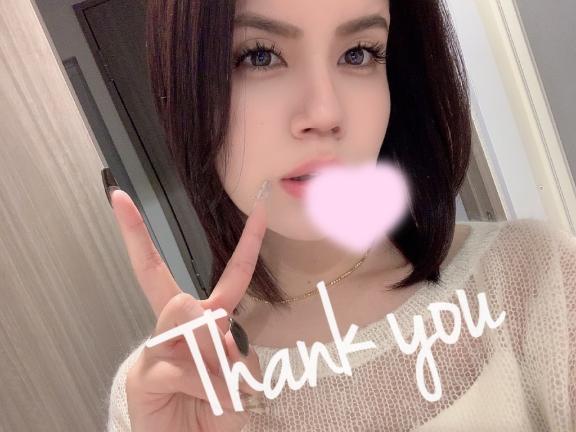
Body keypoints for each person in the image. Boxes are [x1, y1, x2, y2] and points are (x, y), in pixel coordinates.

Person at [106, 0, 576, 430]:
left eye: (358, 53)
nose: (325, 113)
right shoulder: (163, 397)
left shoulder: (535, 278)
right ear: (185, 84)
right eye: (260, 56)